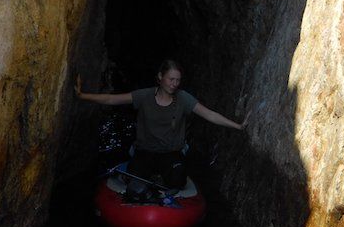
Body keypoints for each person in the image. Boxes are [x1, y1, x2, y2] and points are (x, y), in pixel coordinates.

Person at [75, 59, 246, 190]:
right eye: (171, 79)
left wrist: (237, 126)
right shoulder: (144, 96)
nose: (174, 84)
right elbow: (113, 99)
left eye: (178, 80)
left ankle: (161, 178)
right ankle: (143, 176)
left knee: (177, 180)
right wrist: (84, 96)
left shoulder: (183, 98)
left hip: (171, 153)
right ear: (160, 77)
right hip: (145, 151)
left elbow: (209, 114)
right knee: (135, 184)